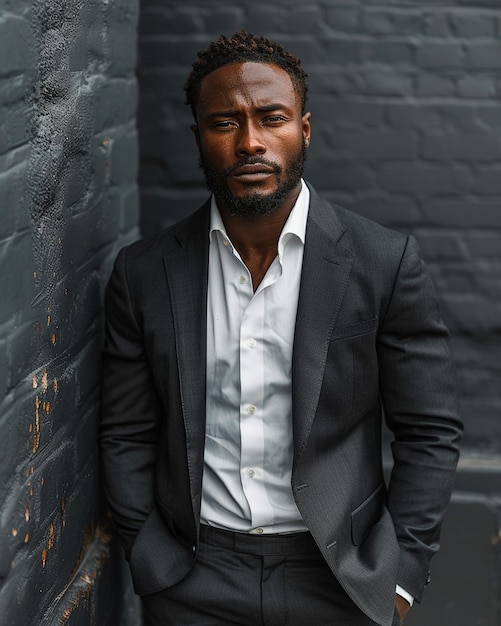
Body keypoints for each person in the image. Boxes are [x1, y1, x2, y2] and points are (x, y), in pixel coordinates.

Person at [100, 31, 462, 626]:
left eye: (272, 118)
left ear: (305, 129)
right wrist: (151, 556)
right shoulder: (144, 275)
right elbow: (125, 431)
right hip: (194, 580)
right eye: (225, 123)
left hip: (338, 578)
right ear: (198, 138)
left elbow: (430, 429)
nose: (251, 142)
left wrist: (399, 576)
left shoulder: (382, 262)